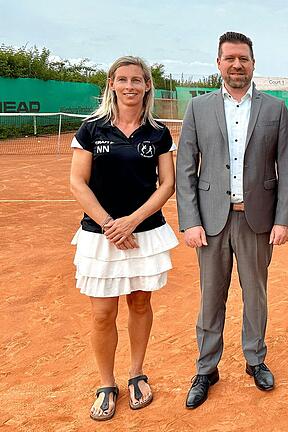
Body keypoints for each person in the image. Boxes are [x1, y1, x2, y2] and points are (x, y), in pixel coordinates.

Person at [176, 31, 288, 409]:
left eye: (243, 58)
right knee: (211, 297)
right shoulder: (198, 108)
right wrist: (190, 221)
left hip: (257, 220)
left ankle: (255, 359)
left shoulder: (275, 109)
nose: (237, 65)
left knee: (255, 295)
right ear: (219, 63)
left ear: (253, 62)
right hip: (211, 222)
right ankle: (206, 368)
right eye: (229, 58)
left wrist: (284, 219)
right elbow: (185, 169)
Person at [69, 56, 177, 421]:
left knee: (140, 305)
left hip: (144, 233)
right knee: (102, 314)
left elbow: (168, 185)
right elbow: (77, 182)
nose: (130, 86)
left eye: (137, 80)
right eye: (123, 79)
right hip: (101, 236)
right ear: (112, 84)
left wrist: (131, 221)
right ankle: (105, 383)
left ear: (147, 85)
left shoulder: (158, 132)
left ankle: (136, 373)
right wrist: (109, 224)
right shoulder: (91, 128)